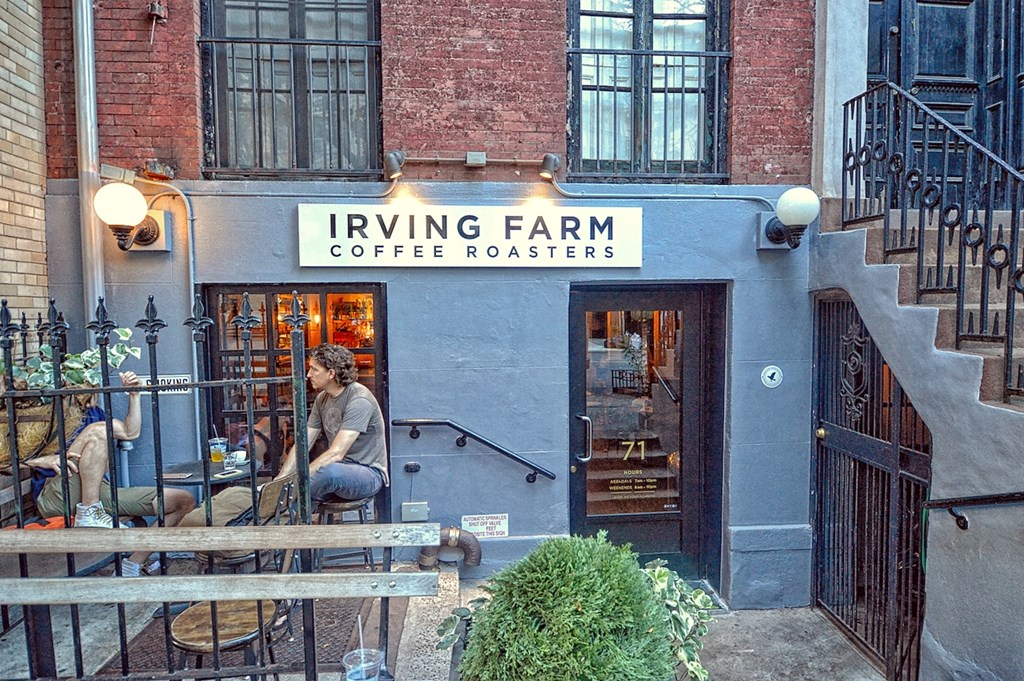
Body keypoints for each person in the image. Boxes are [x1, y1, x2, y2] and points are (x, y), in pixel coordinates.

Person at [24, 370, 195, 576]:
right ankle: (89, 511)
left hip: (97, 492)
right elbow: (6, 464)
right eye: (79, 381)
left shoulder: (95, 414)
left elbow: (131, 433)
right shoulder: (44, 417)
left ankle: (131, 565)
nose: (86, 387)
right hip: (57, 492)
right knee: (100, 431)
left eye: (90, 381)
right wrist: (44, 460)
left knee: (182, 500)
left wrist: (134, 395)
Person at [275, 344, 388, 505]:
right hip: (336, 472)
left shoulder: (359, 399)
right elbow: (303, 443)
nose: (308, 375)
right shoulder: (322, 398)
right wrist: (281, 479)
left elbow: (336, 453)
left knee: (329, 472)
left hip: (368, 474)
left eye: (314, 369)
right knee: (318, 480)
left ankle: (283, 509)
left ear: (331, 373)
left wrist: (299, 478)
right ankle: (285, 514)